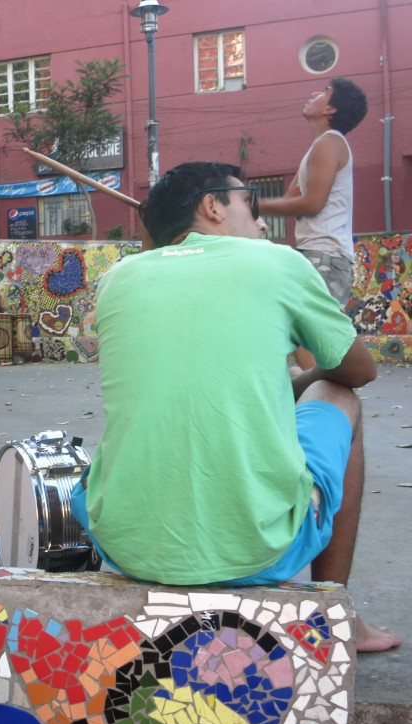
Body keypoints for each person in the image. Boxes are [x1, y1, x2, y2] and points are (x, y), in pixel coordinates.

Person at [72, 161, 400, 653]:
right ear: (212, 206)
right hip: (255, 552)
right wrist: (294, 379)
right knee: (340, 399)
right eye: (250, 203)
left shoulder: (116, 279)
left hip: (124, 545)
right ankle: (335, 616)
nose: (263, 222)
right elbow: (359, 371)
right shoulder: (278, 263)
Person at [260, 78, 369, 366]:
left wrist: (251, 205)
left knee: (303, 333)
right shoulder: (319, 148)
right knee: (295, 329)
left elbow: (311, 204)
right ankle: (318, 392)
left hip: (325, 255)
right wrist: (249, 209)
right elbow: (290, 201)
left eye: (324, 92)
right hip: (320, 255)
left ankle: (320, 395)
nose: (314, 94)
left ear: (330, 108)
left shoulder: (329, 143)